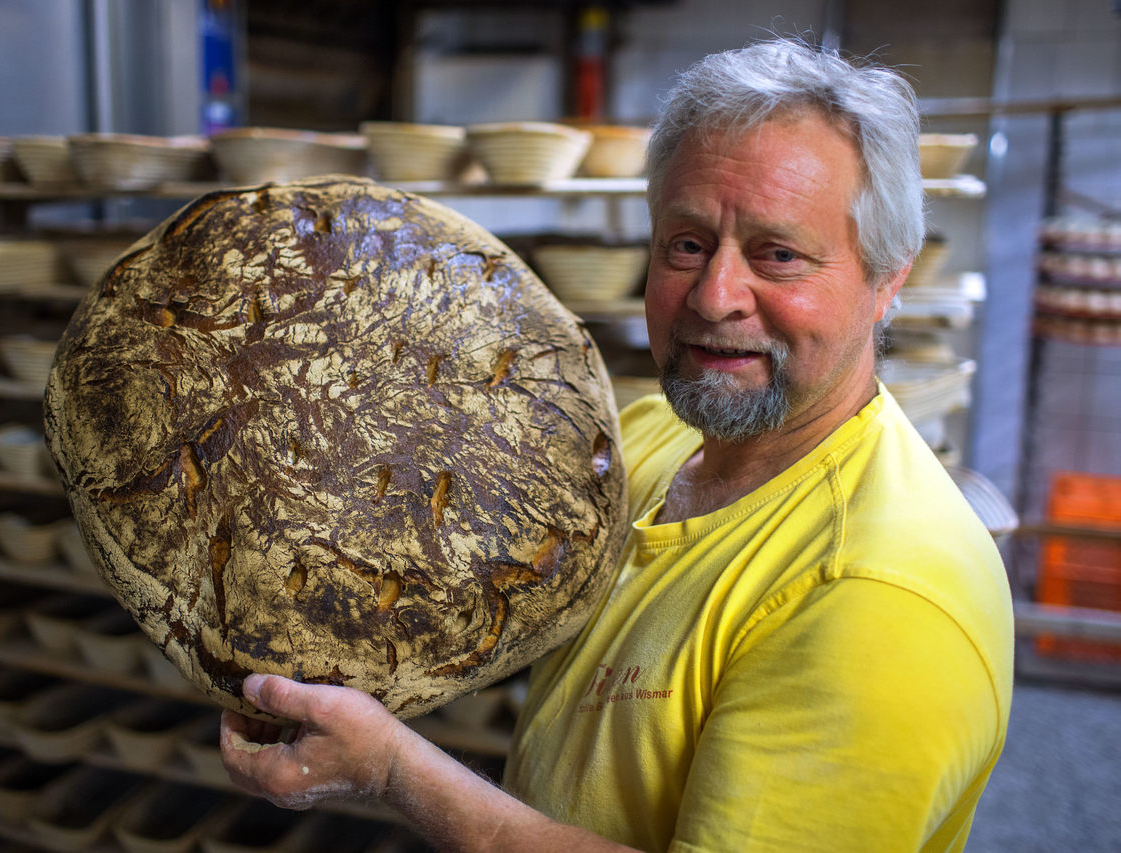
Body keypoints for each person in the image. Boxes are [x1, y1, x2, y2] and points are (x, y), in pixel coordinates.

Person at [220, 38, 1014, 852]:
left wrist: (393, 769)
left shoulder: (879, 596)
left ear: (888, 280)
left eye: (778, 255)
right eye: (687, 243)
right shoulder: (654, 438)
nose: (714, 295)